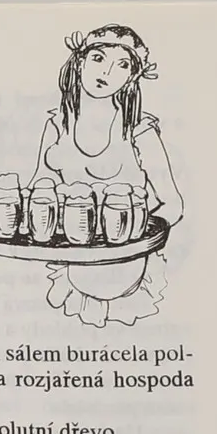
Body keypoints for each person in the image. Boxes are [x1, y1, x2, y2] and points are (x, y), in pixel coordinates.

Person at [31, 24, 184, 328]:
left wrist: (132, 234)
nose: (107, 72)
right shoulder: (57, 124)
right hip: (74, 265)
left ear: (131, 77)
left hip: (127, 266)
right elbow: (41, 186)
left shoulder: (138, 129)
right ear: (80, 62)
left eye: (122, 65)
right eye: (99, 58)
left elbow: (173, 204)